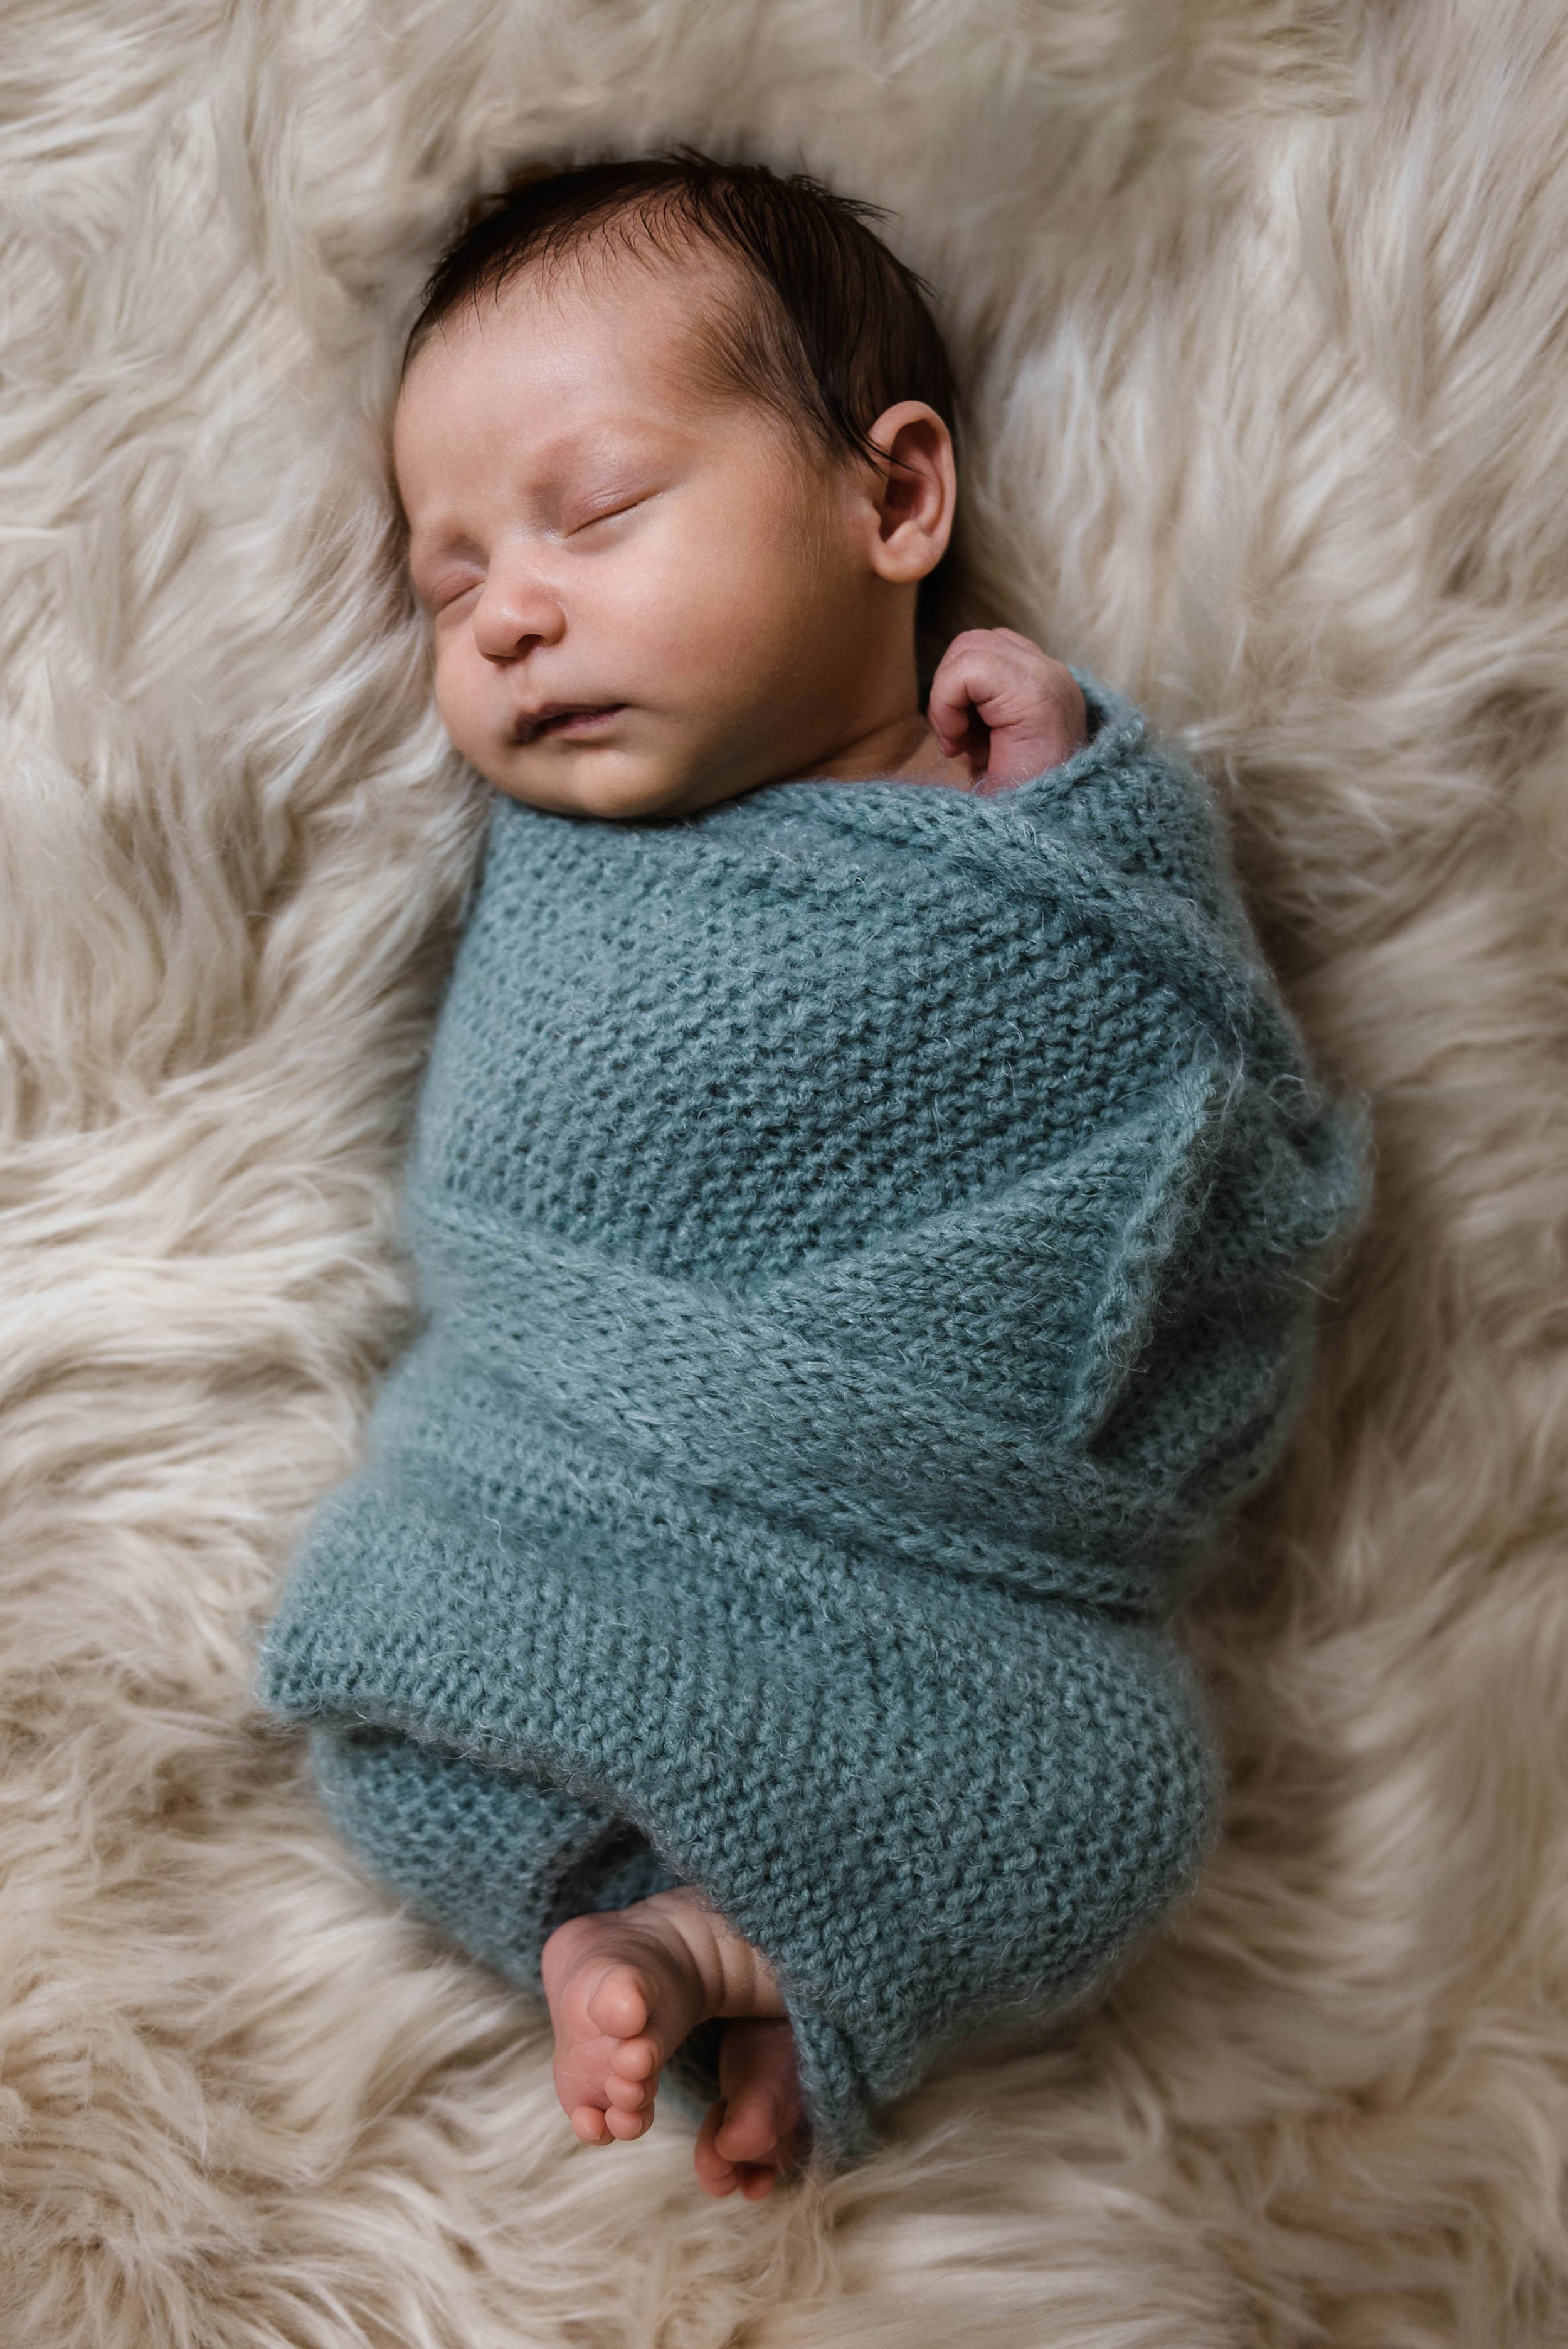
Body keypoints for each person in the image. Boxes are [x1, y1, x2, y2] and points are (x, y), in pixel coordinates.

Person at [261, 154, 1364, 2206]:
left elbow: (1204, 1096)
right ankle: (623, 1928)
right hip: (558, 1483)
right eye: (447, 577)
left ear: (893, 502)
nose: (508, 605)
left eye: (591, 511)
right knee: (381, 1703)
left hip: (942, 1562)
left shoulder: (1039, 846)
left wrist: (1093, 799)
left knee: (1119, 1812)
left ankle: (727, 1948)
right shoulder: (565, 859)